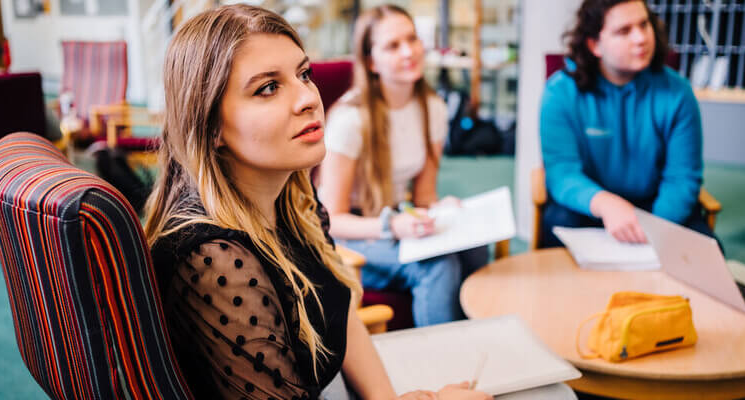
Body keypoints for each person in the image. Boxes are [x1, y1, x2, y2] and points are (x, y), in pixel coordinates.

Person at [146, 5, 490, 400]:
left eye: (303, 74)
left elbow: (339, 310)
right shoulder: (212, 258)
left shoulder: (293, 205)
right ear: (211, 126)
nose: (309, 98)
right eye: (268, 88)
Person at [317, 4, 488, 328]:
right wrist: (392, 226)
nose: (409, 51)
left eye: (412, 39)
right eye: (393, 46)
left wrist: (442, 209)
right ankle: (440, 364)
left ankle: (474, 343)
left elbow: (423, 196)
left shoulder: (432, 108)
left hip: (395, 217)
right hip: (348, 234)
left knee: (475, 246)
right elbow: (331, 220)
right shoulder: (349, 119)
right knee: (439, 266)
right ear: (371, 62)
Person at [539, 0, 718, 248]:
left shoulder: (678, 93)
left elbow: (682, 178)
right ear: (595, 45)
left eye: (644, 25)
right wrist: (605, 204)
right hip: (592, 205)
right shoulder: (560, 93)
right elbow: (562, 174)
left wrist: (653, 229)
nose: (641, 38)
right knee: (557, 222)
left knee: (708, 246)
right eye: (624, 31)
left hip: (657, 207)